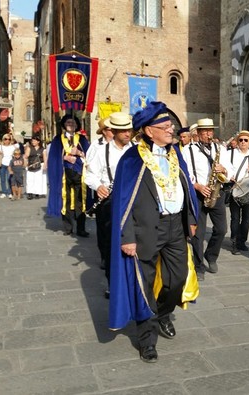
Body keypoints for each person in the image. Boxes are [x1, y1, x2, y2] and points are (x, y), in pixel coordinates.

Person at [109, 101, 198, 363]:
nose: (172, 129)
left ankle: (161, 313)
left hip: (175, 227)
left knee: (177, 278)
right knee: (143, 284)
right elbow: (122, 201)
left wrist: (191, 217)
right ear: (149, 131)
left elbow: (186, 185)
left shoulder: (174, 153)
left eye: (171, 125)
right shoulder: (132, 159)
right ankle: (147, 339)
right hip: (146, 229)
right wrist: (127, 237)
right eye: (166, 126)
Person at [85, 112, 134, 298]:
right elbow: (90, 175)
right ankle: (112, 283)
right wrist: (98, 186)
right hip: (110, 202)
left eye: (129, 129)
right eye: (123, 130)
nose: (127, 133)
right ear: (113, 131)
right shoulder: (101, 151)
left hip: (131, 200)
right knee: (111, 244)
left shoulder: (136, 150)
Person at [183, 118, 234, 280]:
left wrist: (224, 169)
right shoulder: (187, 150)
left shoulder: (220, 149)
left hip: (216, 192)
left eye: (210, 130)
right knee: (198, 233)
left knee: (221, 229)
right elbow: (184, 173)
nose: (208, 134)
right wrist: (197, 186)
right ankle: (198, 266)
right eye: (204, 131)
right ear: (197, 133)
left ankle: (211, 256)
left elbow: (230, 171)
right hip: (198, 194)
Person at [47, 114, 91, 237]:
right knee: (65, 200)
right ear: (64, 125)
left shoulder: (82, 139)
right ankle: (68, 227)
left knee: (80, 201)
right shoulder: (58, 139)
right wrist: (64, 157)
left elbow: (90, 155)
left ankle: (81, 228)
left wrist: (79, 152)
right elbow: (53, 157)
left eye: (73, 123)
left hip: (79, 174)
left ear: (77, 125)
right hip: (64, 174)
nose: (71, 125)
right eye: (68, 123)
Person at [0, 133, 18, 198]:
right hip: (2, 164)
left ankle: (10, 192)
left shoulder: (13, 146)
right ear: (3, 139)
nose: (7, 140)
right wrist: (0, 152)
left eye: (9, 139)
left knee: (9, 179)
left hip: (10, 165)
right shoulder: (0, 146)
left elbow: (18, 152)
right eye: (5, 139)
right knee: (2, 179)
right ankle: (4, 192)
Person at [24, 134, 47, 200]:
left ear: (38, 141)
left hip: (40, 165)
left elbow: (45, 158)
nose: (33, 142)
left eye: (34, 141)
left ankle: (37, 193)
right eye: (32, 141)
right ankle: (30, 193)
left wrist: (45, 165)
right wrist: (25, 163)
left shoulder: (43, 149)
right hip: (31, 165)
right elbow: (26, 156)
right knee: (30, 179)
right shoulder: (29, 148)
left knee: (38, 179)